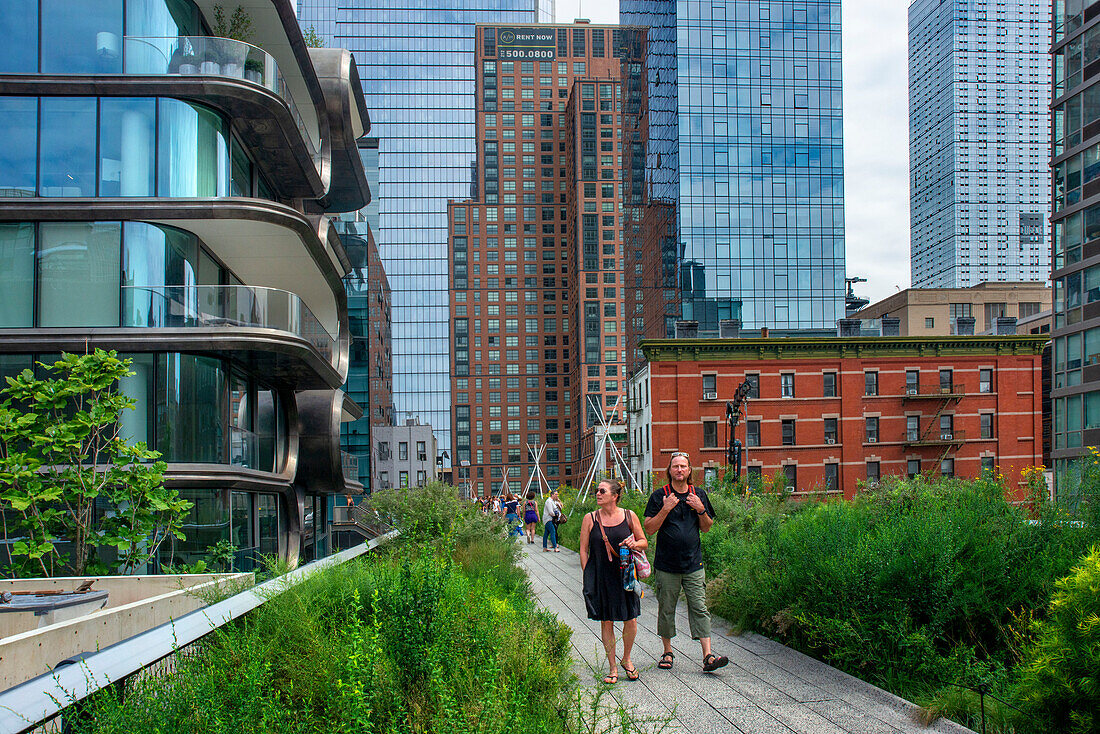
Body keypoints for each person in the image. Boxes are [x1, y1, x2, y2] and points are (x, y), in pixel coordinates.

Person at [643, 451, 729, 673]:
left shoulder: (698, 494)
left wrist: (700, 508)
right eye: (675, 466)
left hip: (693, 564)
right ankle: (667, 652)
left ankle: (708, 656)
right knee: (666, 609)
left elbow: (707, 526)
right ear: (669, 470)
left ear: (689, 470)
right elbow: (649, 529)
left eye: (683, 466)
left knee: (700, 607)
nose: (679, 470)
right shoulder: (659, 496)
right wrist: (666, 508)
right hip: (667, 565)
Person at [579, 479, 648, 684]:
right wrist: (587, 574)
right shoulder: (590, 518)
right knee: (606, 620)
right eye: (596, 491)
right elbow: (583, 550)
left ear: (614, 495)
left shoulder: (629, 516)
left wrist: (634, 543)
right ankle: (612, 667)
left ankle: (627, 659)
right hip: (601, 576)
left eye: (602, 490)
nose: (597, 494)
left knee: (631, 619)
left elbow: (644, 542)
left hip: (625, 575)